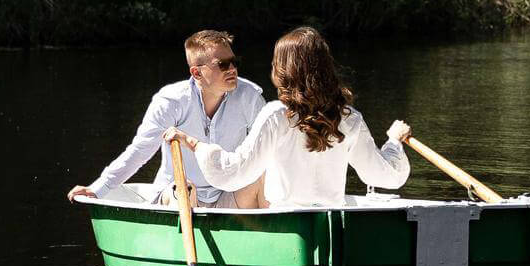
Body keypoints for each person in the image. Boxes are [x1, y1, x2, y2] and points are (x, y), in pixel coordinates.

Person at [168, 26, 411, 209]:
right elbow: (385, 175)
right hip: (329, 225)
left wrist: (194, 144)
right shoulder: (349, 118)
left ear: (283, 71)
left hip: (286, 224)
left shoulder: (277, 116)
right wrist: (394, 142)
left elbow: (234, 172)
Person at [67, 30, 265, 207]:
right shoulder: (172, 101)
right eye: (222, 64)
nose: (232, 69)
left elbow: (269, 149)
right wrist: (98, 188)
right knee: (184, 188)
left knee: (263, 177)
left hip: (227, 195)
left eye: (234, 62)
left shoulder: (249, 96)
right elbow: (140, 151)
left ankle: (274, 232)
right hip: (178, 196)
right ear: (196, 72)